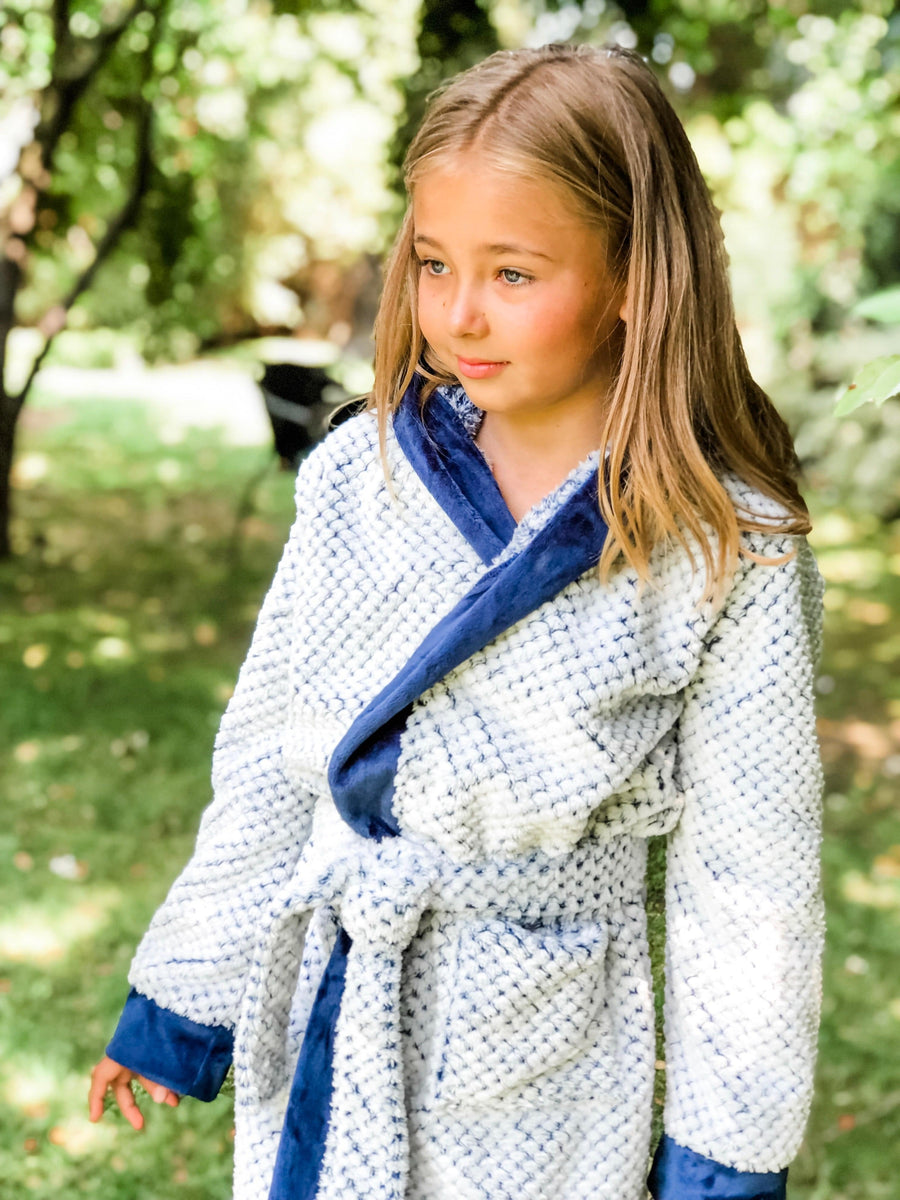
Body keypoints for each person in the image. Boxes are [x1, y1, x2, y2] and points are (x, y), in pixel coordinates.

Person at [88, 42, 825, 1200]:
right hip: (347, 1000)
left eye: (515, 275)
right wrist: (180, 998)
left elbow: (751, 880)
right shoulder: (357, 478)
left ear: (638, 273)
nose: (459, 314)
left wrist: (726, 1159)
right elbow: (272, 764)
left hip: (552, 1043)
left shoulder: (728, 543)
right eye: (433, 264)